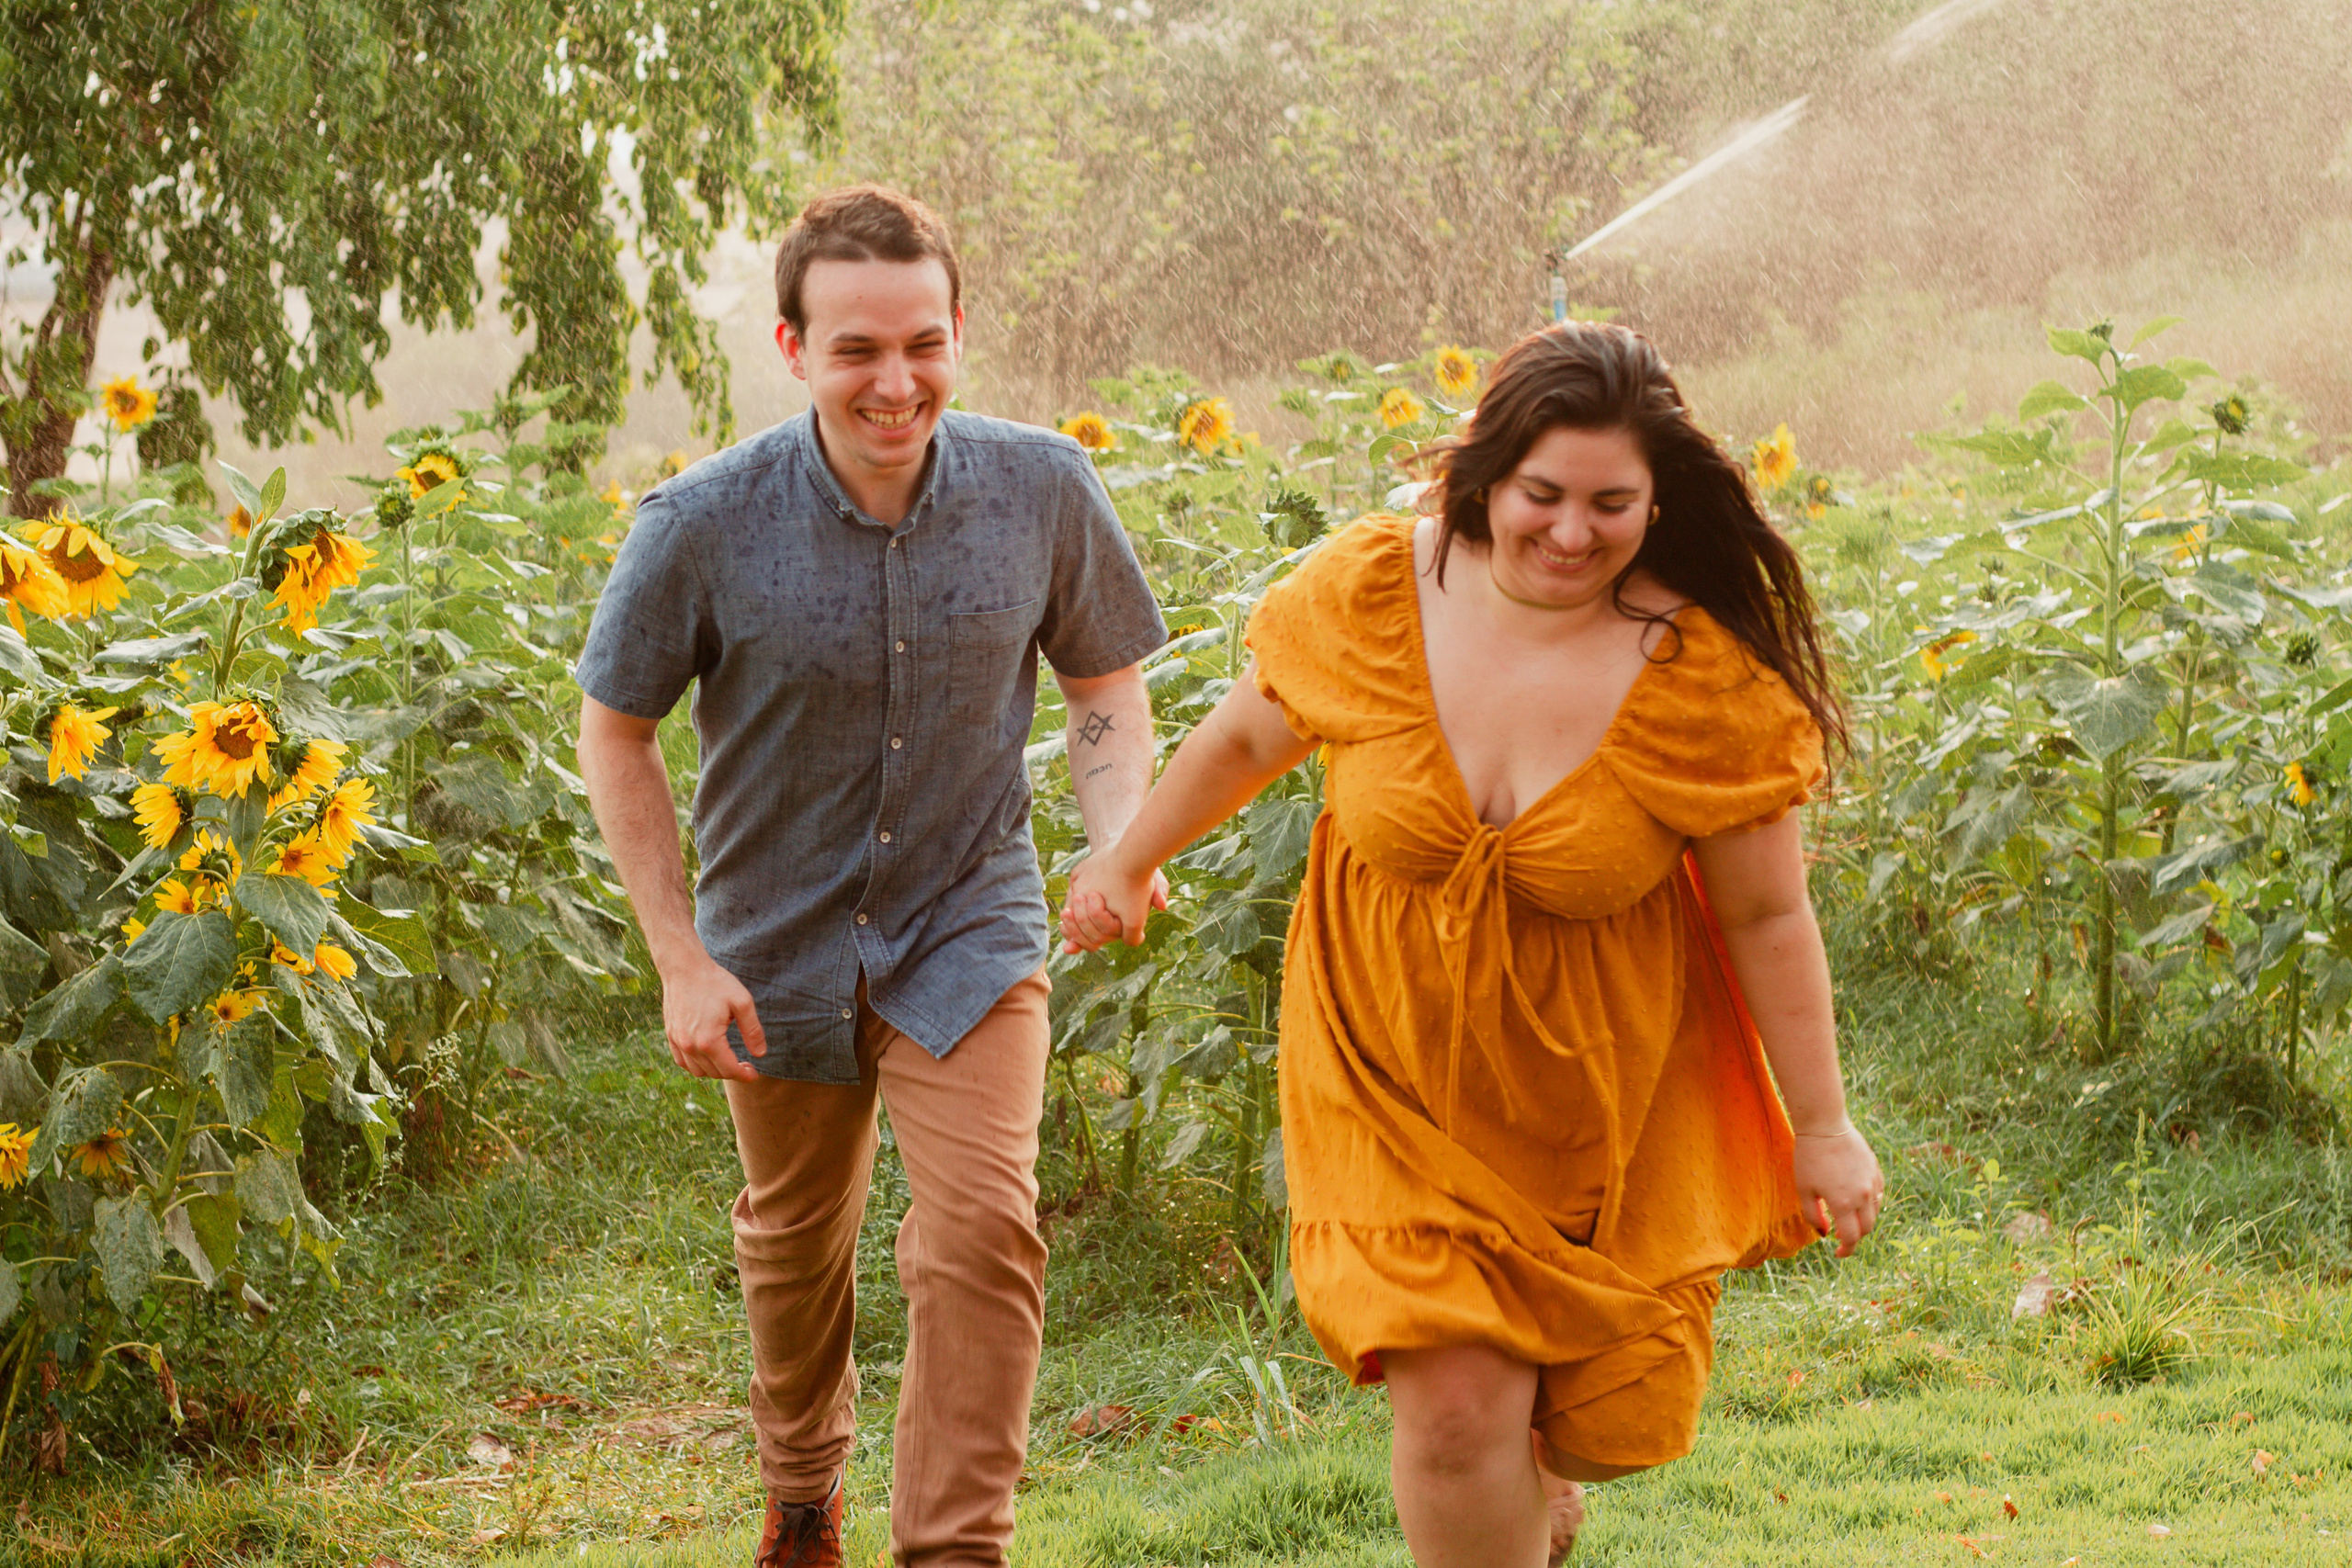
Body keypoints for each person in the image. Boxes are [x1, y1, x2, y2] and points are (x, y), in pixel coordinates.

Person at [1060, 321, 1883, 1567]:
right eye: (1542, 495)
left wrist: (1821, 1125)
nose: (1570, 533)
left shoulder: (1700, 674)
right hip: (1381, 1066)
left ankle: (1533, 1503)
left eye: (1612, 504)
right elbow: (1241, 741)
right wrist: (1130, 856)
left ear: (1659, 503)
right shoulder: (1376, 594)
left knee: (1546, 1417)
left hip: (1590, 1099)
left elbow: (1769, 914)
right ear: (1486, 477)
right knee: (1452, 1414)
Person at [574, 185, 1168, 1568]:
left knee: (980, 1231)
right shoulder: (701, 523)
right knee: (794, 1244)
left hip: (970, 921)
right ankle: (800, 1490)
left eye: (923, 343)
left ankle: (953, 1549)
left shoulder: (1043, 489)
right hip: (771, 941)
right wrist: (679, 954)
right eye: (856, 350)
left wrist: (1116, 837)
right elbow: (615, 732)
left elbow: (1104, 689)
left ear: (958, 335)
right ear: (793, 348)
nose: (894, 381)